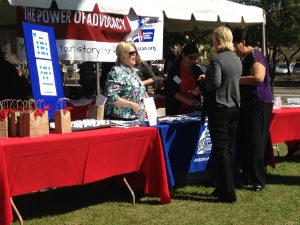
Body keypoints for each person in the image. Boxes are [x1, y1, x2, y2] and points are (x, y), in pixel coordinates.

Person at [199, 26, 242, 203]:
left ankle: (228, 192)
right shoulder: (236, 59)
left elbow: (215, 83)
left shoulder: (217, 59)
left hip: (220, 107)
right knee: (230, 149)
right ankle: (224, 186)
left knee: (220, 150)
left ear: (217, 40)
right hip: (235, 106)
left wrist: (204, 80)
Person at [233, 28, 273, 192]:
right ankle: (248, 175)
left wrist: (235, 79)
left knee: (255, 141)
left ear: (243, 43)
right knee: (248, 139)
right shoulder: (246, 57)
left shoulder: (255, 55)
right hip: (249, 104)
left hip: (259, 103)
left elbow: (258, 77)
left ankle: (257, 179)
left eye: (235, 45)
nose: (235, 50)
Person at [104, 42, 147, 120]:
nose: (135, 55)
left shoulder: (133, 72)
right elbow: (111, 96)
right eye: (131, 53)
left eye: (135, 52)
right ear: (122, 56)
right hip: (120, 119)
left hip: (136, 117)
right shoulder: (116, 71)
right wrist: (131, 105)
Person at [165, 42, 204, 115]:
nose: (193, 61)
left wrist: (199, 88)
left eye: (195, 58)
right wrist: (188, 101)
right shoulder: (174, 70)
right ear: (183, 55)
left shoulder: (196, 70)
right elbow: (171, 91)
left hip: (194, 111)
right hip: (176, 111)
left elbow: (203, 85)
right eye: (190, 58)